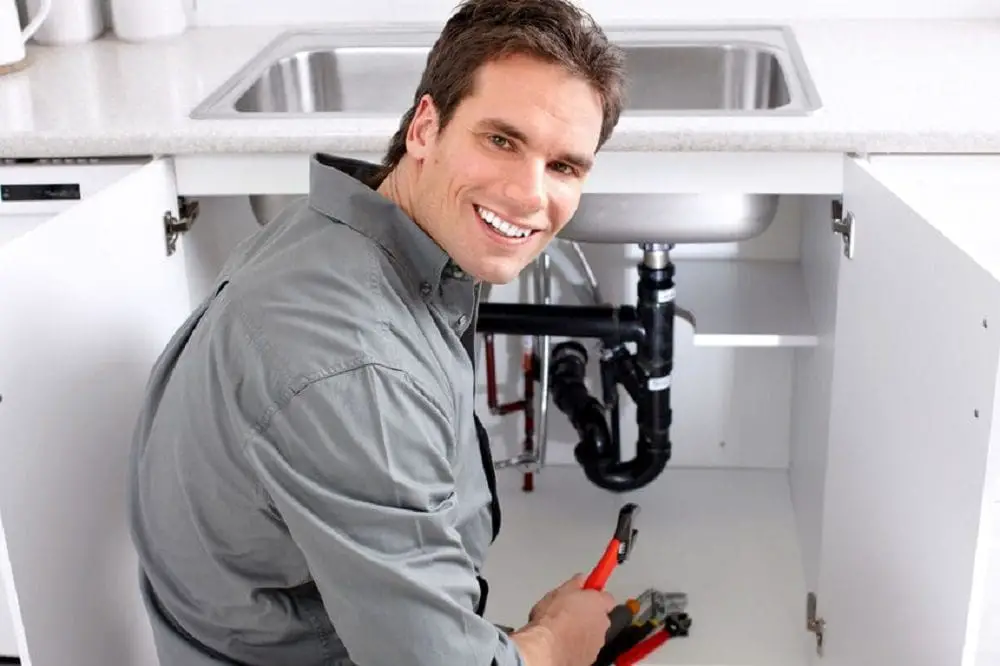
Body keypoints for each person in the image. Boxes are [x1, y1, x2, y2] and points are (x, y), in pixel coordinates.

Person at [127, 0, 627, 664]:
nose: (529, 194)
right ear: (425, 127)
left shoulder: (342, 228)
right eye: (500, 139)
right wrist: (556, 643)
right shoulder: (356, 371)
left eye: (564, 166)